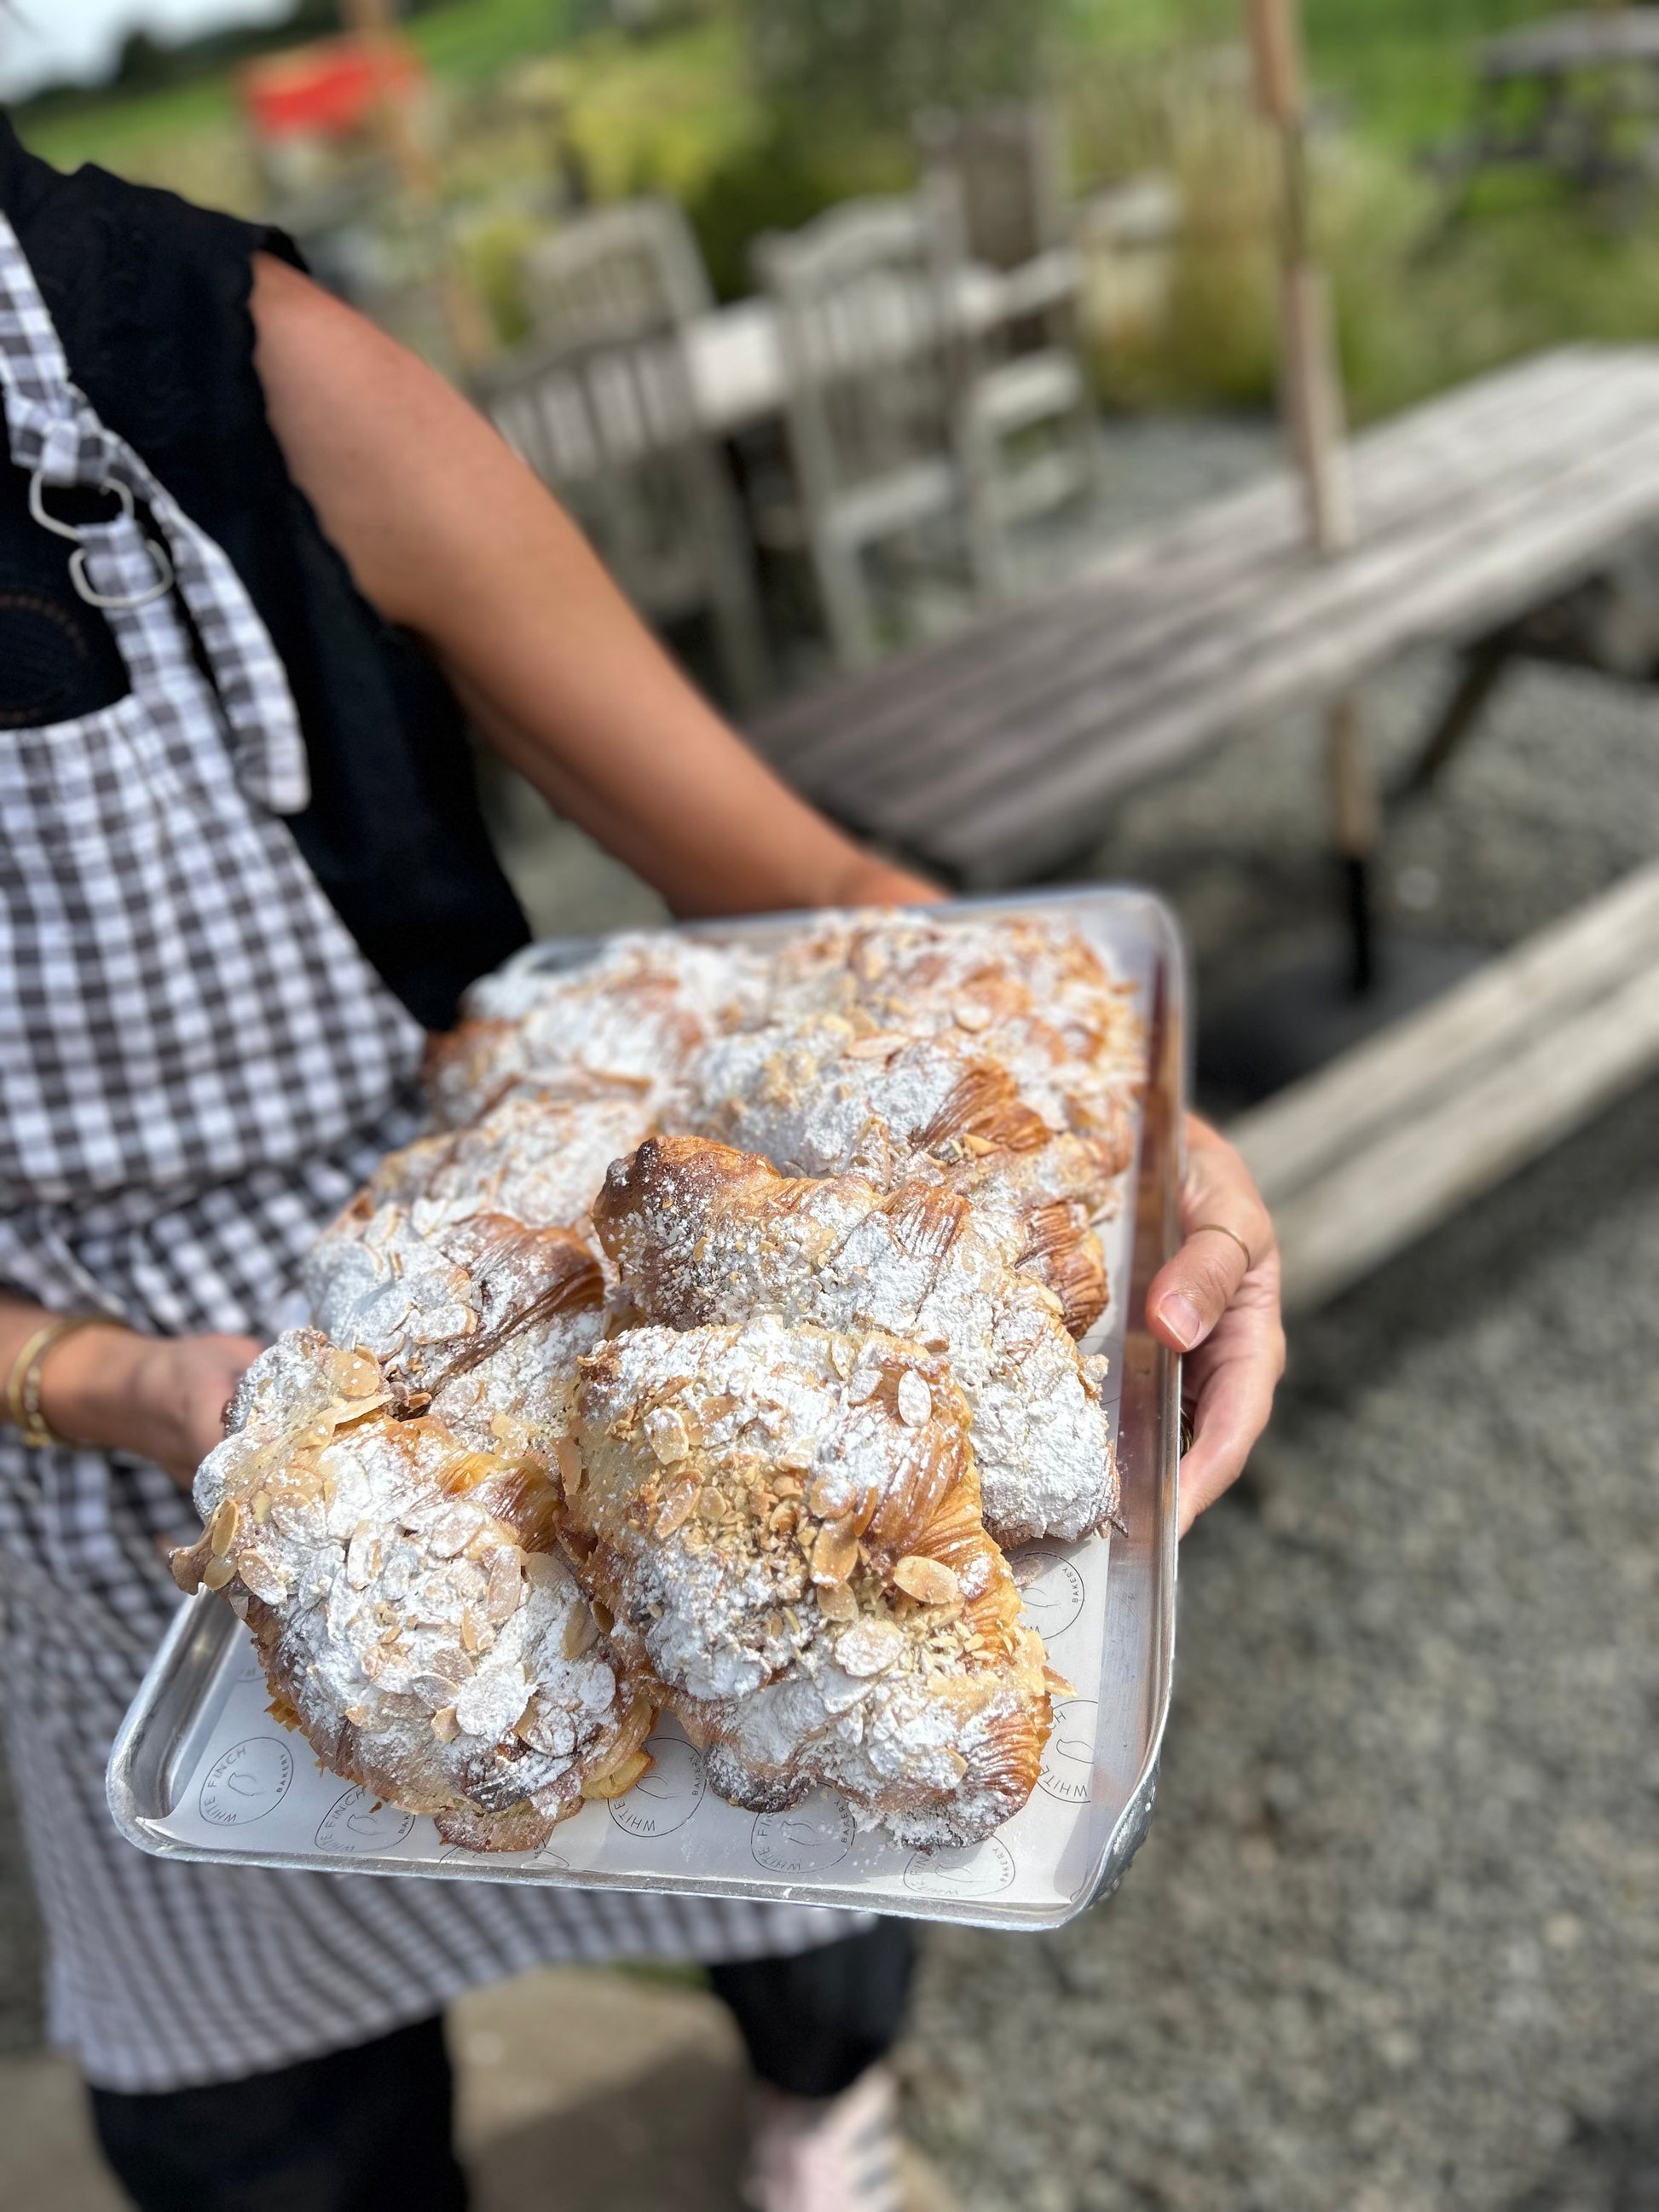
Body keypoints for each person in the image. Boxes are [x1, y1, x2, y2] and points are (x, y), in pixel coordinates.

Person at [0, 114, 1284, 2212]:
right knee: (249, 2116)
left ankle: (819, 2104)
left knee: (803, 1831)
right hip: (101, 1453)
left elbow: (812, 886)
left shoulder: (231, 369)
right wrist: (93, 1378)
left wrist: (1135, 1145)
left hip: (548, 1218)